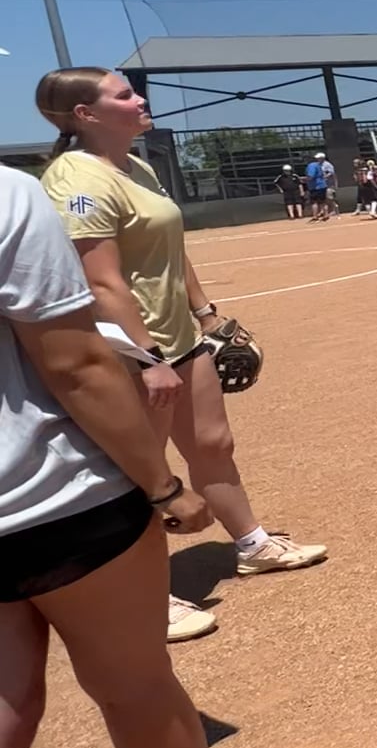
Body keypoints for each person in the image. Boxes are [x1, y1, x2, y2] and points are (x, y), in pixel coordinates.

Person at [36, 67, 328, 643]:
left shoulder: (135, 166)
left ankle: (252, 545)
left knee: (213, 444)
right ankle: (144, 595)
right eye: (124, 94)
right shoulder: (76, 180)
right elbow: (101, 283)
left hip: (178, 338)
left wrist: (206, 315)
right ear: (85, 115)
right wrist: (149, 359)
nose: (139, 99)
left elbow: (172, 249)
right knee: (139, 471)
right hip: (127, 348)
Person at [0, 165, 235, 748]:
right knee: (134, 685)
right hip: (52, 497)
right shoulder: (9, 195)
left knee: (5, 716)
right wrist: (163, 486)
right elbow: (75, 364)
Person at [303, 151, 331, 221]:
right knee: (323, 201)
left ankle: (315, 216)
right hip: (322, 185)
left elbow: (311, 176)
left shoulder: (311, 165)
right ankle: (326, 214)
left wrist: (304, 179)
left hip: (315, 186)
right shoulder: (318, 165)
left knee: (314, 202)